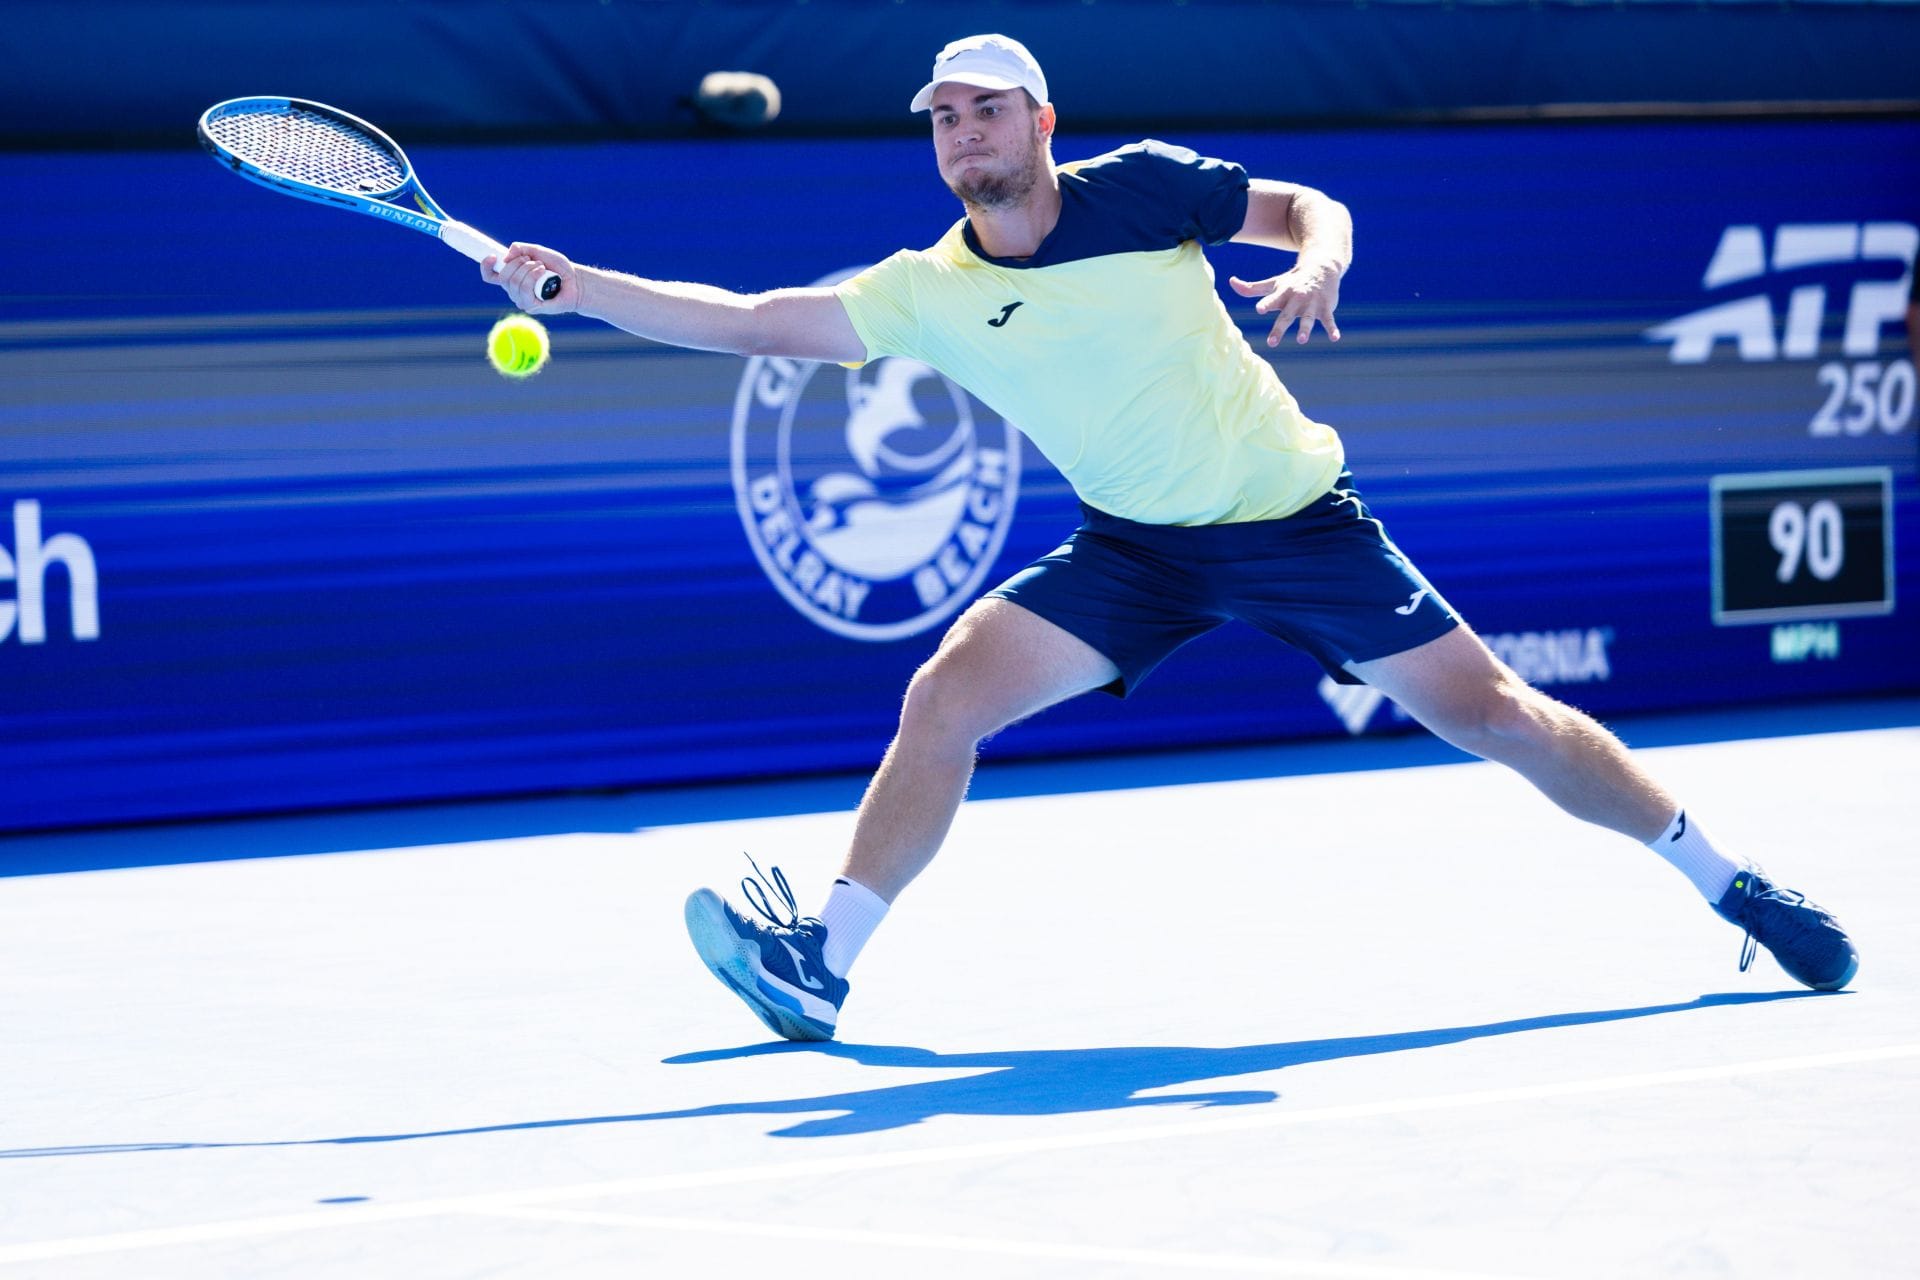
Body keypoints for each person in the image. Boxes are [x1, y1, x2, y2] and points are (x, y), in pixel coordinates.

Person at [487, 34, 1859, 1042]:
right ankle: (822, 966)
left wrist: (1321, 260)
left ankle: (1727, 882)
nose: (961, 133)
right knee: (946, 693)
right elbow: (746, 317)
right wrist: (576, 284)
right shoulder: (929, 291)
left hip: (1293, 522)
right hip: (1133, 553)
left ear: (1041, 119)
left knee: (1497, 716)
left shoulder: (1145, 190)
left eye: (985, 110)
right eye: (942, 119)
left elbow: (1305, 208)